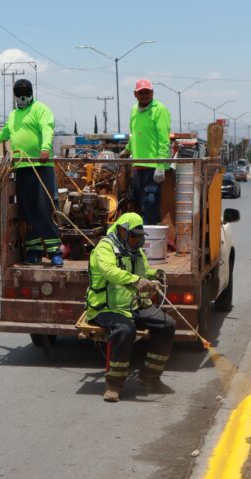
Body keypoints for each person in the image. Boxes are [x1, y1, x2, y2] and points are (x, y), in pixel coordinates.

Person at [85, 212, 177, 402]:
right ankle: (114, 385)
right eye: (133, 236)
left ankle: (149, 377)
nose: (137, 240)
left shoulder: (135, 251)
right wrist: (137, 281)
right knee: (126, 330)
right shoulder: (104, 249)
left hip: (132, 305)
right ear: (122, 230)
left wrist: (154, 276)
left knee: (168, 325)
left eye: (139, 236)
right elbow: (111, 272)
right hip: (106, 307)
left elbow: (143, 272)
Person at [0, 78, 62, 267]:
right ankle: (34, 250)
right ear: (15, 95)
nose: (23, 97)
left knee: (44, 208)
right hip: (22, 167)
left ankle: (54, 251)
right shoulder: (12, 116)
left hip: (41, 165)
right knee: (27, 211)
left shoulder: (40, 109)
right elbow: (4, 134)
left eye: (26, 93)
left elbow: (47, 129)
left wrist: (45, 148)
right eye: (19, 94)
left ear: (31, 93)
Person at [119, 79, 172, 225]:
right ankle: (140, 237)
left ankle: (149, 239)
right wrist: (127, 150)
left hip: (153, 167)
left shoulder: (159, 110)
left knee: (150, 203)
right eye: (141, 93)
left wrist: (160, 165)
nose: (144, 95)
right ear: (135, 94)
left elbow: (164, 140)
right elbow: (134, 134)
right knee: (138, 203)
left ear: (152, 93)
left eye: (147, 92)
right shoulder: (134, 110)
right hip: (139, 166)